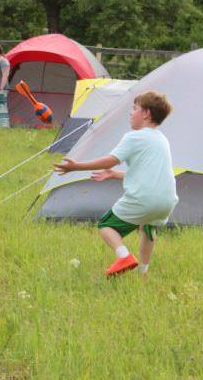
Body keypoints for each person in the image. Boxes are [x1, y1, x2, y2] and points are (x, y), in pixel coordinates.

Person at [54, 91, 177, 278]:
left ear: (146, 114)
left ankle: (124, 256)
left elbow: (110, 160)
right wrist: (114, 175)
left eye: (134, 108)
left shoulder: (133, 137)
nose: (130, 113)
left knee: (106, 225)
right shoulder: (162, 139)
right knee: (148, 229)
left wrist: (77, 166)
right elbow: (147, 174)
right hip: (166, 201)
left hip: (143, 199)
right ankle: (143, 273)